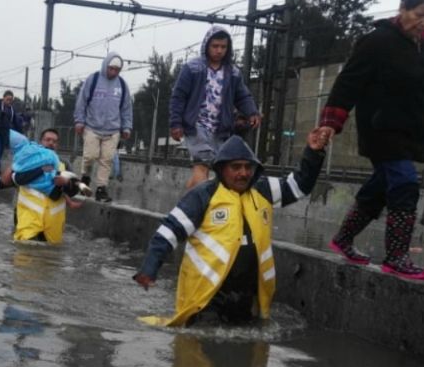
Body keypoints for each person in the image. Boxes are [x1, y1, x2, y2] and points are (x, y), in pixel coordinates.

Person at [318, 0, 424, 281]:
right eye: (420, 14)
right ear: (403, 8)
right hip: (381, 128)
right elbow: (348, 84)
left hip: (413, 132)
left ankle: (343, 240)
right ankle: (397, 256)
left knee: (381, 188)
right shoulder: (377, 42)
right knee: (404, 183)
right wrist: (331, 124)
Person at [132, 130, 327, 327]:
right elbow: (168, 233)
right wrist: (149, 270)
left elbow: (299, 186)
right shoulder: (203, 195)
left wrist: (313, 152)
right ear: (221, 169)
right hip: (206, 299)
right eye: (236, 167)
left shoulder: (262, 190)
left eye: (247, 167)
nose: (243, 173)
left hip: (246, 298)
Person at [169, 25, 261, 191]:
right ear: (207, 46)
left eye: (223, 47)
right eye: (215, 46)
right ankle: (193, 210)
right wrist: (176, 123)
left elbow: (243, 96)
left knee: (221, 172)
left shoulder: (232, 73)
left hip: (221, 129)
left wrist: (252, 112)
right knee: (202, 164)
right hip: (196, 126)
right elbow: (178, 96)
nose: (219, 50)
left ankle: (186, 203)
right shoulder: (193, 68)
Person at [73, 52, 133, 202]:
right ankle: (85, 178)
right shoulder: (93, 80)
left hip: (113, 130)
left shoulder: (122, 86)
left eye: (117, 70)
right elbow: (82, 101)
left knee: (106, 160)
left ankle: (101, 189)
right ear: (106, 66)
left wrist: (126, 127)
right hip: (92, 127)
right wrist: (79, 121)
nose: (113, 72)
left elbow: (126, 108)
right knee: (90, 156)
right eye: (111, 69)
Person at [10, 128, 86, 243]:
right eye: (48, 140)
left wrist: (65, 183)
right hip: (28, 217)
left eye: (54, 141)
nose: (51, 143)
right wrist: (41, 170)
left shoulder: (64, 164)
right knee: (24, 251)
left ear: (57, 145)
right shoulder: (27, 158)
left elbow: (74, 189)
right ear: (40, 142)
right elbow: (17, 179)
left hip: (52, 222)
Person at [0, 90, 24, 175]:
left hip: (4, 133)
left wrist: (21, 133)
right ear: (3, 98)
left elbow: (15, 122)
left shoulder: (12, 109)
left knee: (0, 151)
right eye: (7, 99)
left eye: (11, 100)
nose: (9, 101)